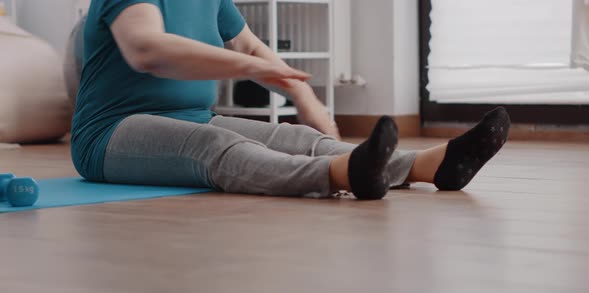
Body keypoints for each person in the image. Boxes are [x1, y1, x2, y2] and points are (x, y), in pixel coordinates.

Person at [71, 0, 511, 200]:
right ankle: (341, 174)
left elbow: (249, 48)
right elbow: (146, 49)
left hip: (194, 117)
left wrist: (301, 91)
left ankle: (428, 165)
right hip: (110, 135)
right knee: (216, 148)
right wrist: (250, 69)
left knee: (296, 136)